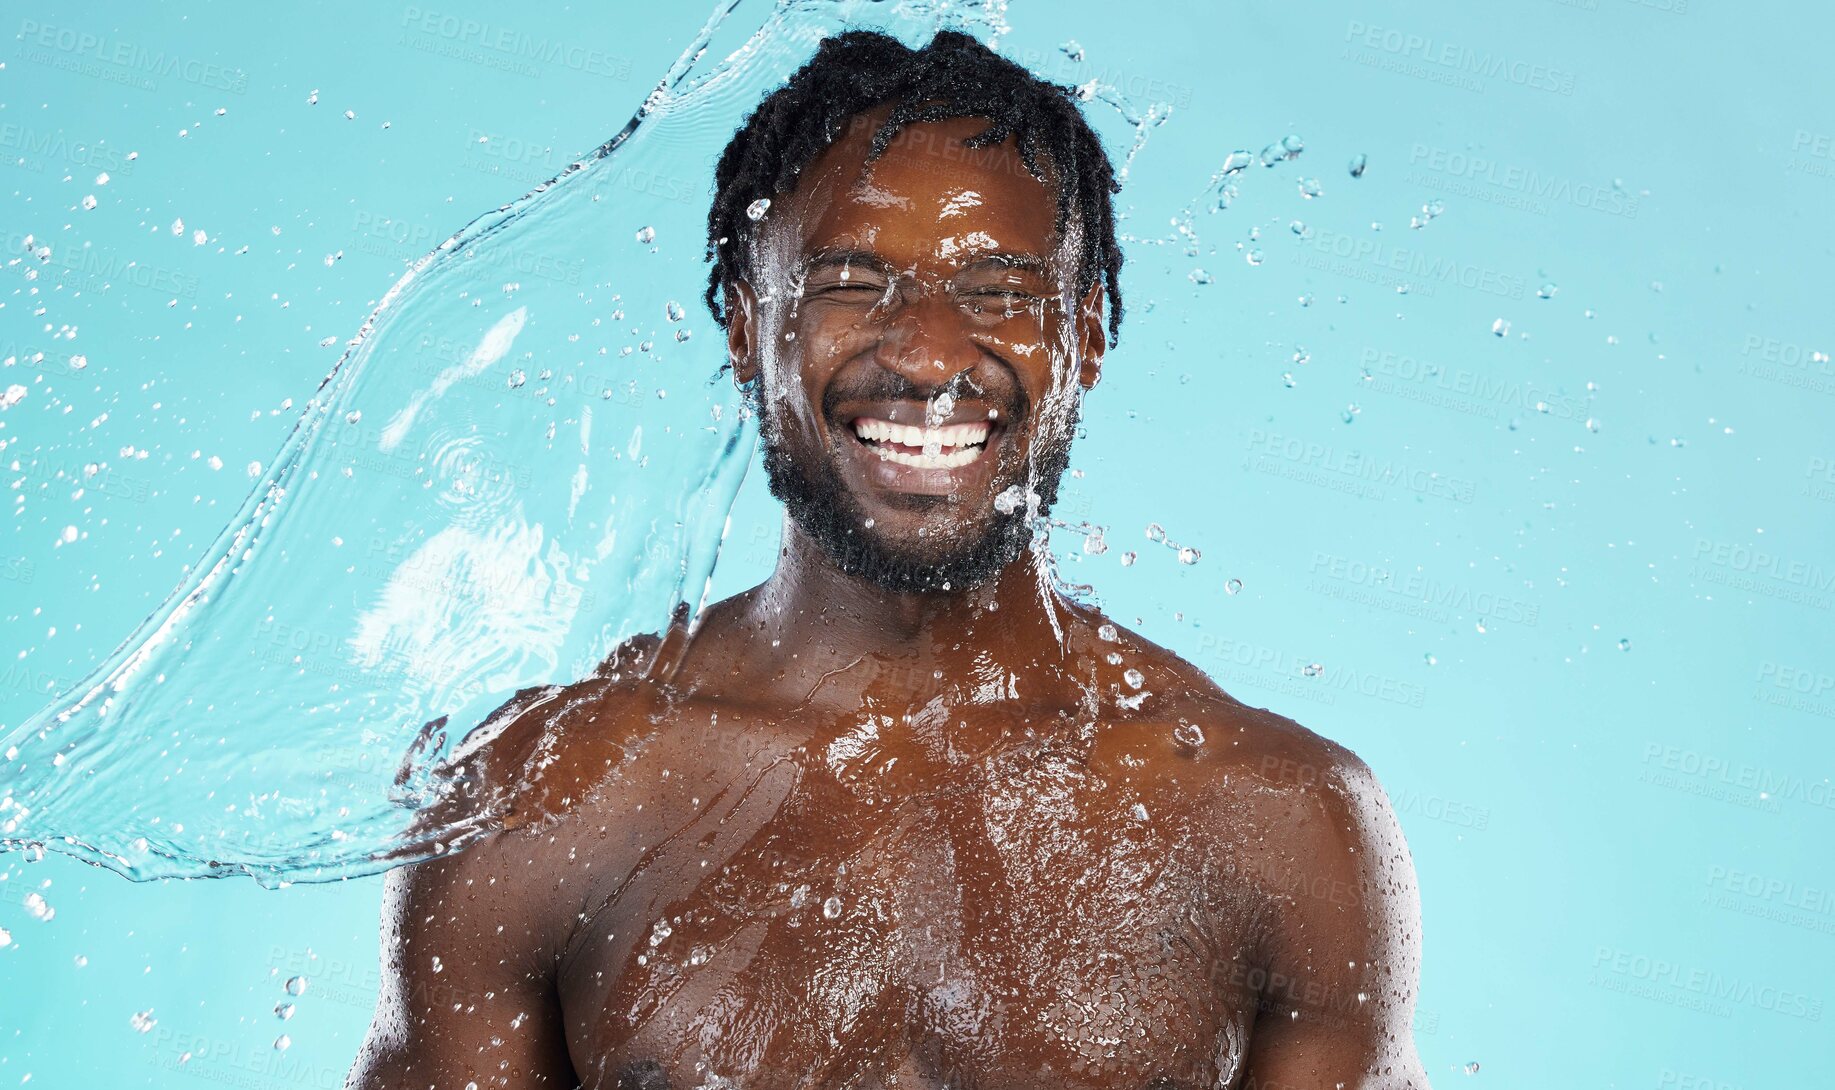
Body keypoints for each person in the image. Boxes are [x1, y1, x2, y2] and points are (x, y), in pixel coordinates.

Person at [348, 28, 1430, 1090]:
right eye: (851, 283)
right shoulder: (549, 800)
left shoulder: (1279, 822)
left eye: (1000, 290)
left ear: (1086, 333)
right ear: (742, 324)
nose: (925, 355)